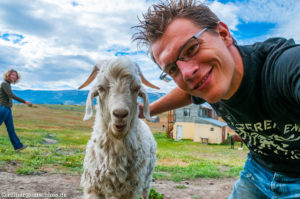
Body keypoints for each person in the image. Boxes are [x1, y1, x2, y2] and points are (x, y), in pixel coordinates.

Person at [132, 0, 300, 198]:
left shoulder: (282, 67)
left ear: (223, 34)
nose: (187, 73)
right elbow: (188, 93)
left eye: (191, 49)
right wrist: (147, 110)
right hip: (258, 169)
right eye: (173, 69)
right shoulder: (205, 81)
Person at [0, 69, 32, 151]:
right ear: (8, 75)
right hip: (3, 108)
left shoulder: (7, 84)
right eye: (12, 74)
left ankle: (18, 146)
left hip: (7, 109)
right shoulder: (4, 83)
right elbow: (11, 95)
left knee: (11, 128)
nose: (14, 76)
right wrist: (24, 101)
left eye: (15, 75)